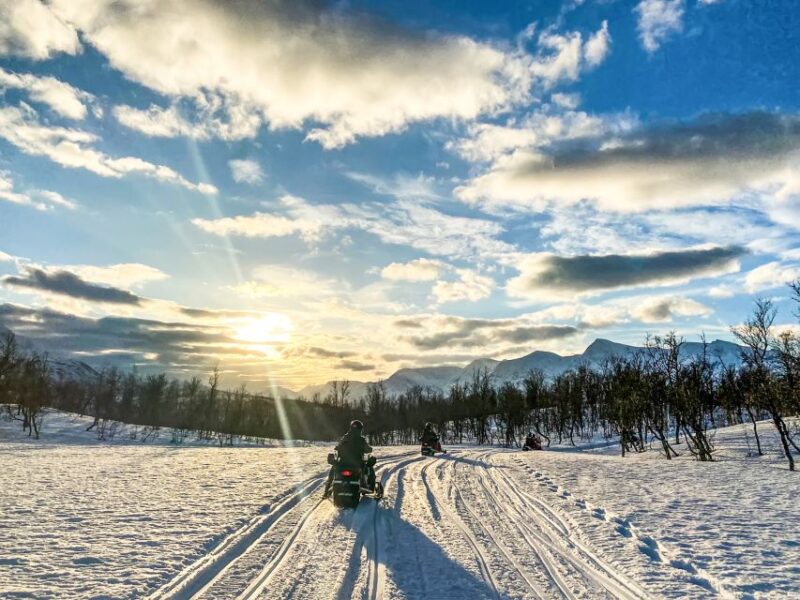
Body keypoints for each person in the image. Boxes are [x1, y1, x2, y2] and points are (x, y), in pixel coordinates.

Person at [323, 420, 374, 498]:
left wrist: (339, 448)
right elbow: (368, 449)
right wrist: (369, 449)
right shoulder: (361, 440)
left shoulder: (345, 438)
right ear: (360, 429)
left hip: (343, 463)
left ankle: (327, 489)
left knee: (333, 468)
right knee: (367, 467)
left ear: (351, 428)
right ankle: (366, 485)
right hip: (357, 463)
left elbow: (338, 447)